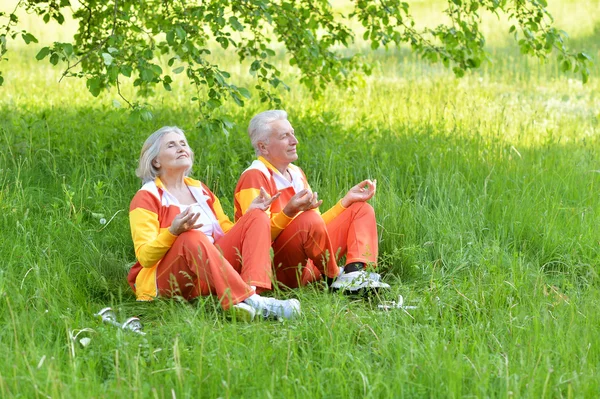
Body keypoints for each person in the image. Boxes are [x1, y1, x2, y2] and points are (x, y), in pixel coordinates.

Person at [127, 126, 301, 321]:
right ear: (155, 160)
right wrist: (173, 232)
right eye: (171, 145)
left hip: (210, 274)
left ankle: (251, 293)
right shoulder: (146, 197)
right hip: (170, 280)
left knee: (258, 216)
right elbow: (144, 257)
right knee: (191, 236)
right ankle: (252, 301)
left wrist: (249, 216)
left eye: (183, 143)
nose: (180, 148)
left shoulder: (201, 190)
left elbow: (227, 233)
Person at [233, 110, 389, 293]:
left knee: (361, 209)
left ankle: (356, 275)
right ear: (264, 147)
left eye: (293, 133)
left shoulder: (296, 173)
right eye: (285, 136)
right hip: (278, 270)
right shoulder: (254, 177)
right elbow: (255, 238)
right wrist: (288, 213)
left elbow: (316, 228)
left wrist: (345, 202)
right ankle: (334, 278)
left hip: (310, 262)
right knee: (307, 220)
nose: (294, 141)